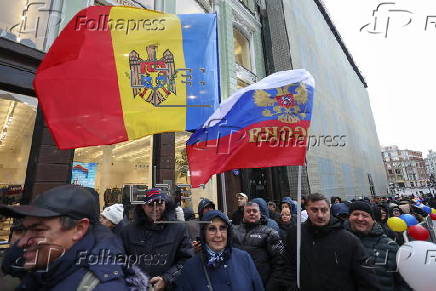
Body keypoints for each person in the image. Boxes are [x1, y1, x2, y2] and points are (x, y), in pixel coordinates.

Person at [0, 185, 129, 290]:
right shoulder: (45, 266)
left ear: (79, 229)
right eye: (24, 230)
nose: (22, 242)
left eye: (38, 230)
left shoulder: (100, 285)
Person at [285, 193, 380, 291]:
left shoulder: (348, 240)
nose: (320, 215)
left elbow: (367, 280)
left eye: (324, 210)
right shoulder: (295, 235)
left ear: (329, 210)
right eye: (314, 210)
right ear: (307, 210)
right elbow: (287, 268)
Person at [120, 188, 193, 290]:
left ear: (165, 204)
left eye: (159, 204)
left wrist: (166, 279)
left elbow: (186, 260)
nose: (156, 208)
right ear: (143, 206)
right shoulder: (128, 231)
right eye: (151, 204)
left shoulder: (178, 229)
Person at [175, 210, 264, 291]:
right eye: (212, 229)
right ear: (204, 233)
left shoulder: (244, 258)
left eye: (222, 228)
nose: (218, 235)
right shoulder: (190, 268)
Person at [346, 201, 411, 290]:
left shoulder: (390, 246)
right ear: (349, 217)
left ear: (373, 220)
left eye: (365, 215)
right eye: (355, 214)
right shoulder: (339, 242)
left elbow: (404, 282)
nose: (360, 218)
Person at [232, 202, 288, 290]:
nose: (251, 213)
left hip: (261, 284)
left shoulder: (270, 233)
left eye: (254, 211)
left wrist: (270, 287)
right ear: (243, 214)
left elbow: (280, 263)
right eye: (248, 211)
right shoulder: (233, 231)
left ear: (260, 214)